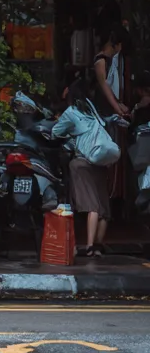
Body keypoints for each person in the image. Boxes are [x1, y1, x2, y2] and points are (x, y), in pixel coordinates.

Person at [54, 76, 116, 257]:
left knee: (92, 205)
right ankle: (97, 245)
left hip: (82, 162)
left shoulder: (71, 111)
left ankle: (88, 246)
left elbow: (55, 132)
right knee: (103, 206)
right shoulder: (92, 109)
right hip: (100, 160)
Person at [95, 26, 131, 118]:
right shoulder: (100, 61)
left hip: (106, 108)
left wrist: (119, 104)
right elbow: (105, 86)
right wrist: (118, 109)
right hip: (99, 109)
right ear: (117, 45)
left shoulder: (109, 61)